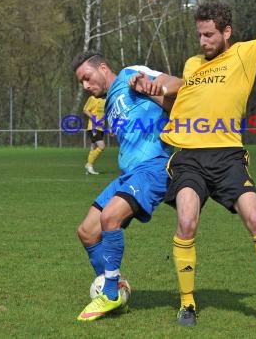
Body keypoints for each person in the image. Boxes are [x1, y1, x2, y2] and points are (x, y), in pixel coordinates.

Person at [130, 0, 256, 327]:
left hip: (228, 157)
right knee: (187, 222)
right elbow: (177, 100)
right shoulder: (193, 65)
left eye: (209, 34)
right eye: (199, 34)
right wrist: (148, 89)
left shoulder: (246, 54)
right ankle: (187, 304)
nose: (203, 40)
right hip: (189, 156)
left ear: (227, 32)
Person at [71, 51, 182, 321]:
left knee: (110, 218)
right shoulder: (109, 102)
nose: (86, 86)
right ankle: (115, 286)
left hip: (154, 166)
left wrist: (156, 87)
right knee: (87, 231)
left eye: (87, 78)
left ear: (103, 68)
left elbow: (179, 83)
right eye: (81, 83)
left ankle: (109, 294)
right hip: (129, 173)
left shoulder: (130, 74)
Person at [83, 95, 106, 175]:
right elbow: (85, 110)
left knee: (93, 147)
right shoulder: (92, 98)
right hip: (93, 128)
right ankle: (89, 165)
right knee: (102, 146)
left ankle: (90, 167)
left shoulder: (105, 100)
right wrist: (94, 118)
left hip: (101, 128)